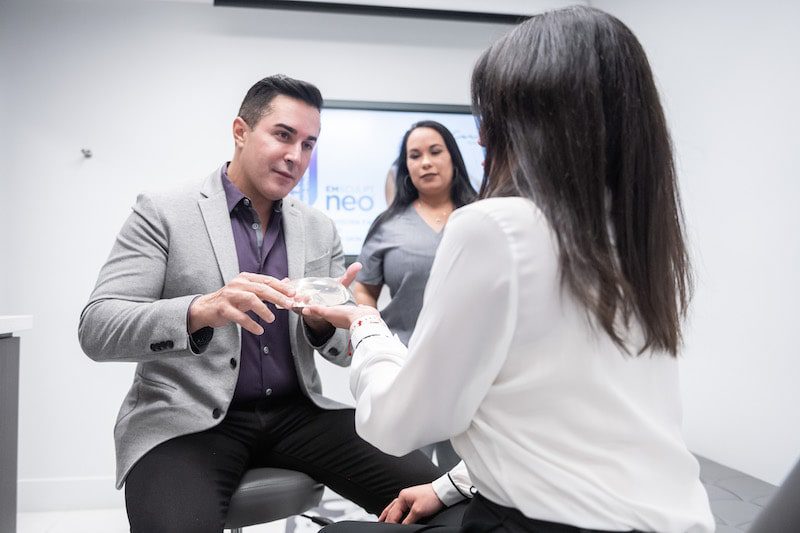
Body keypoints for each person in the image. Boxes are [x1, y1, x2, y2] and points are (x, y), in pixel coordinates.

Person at [304, 7, 715, 533]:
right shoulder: (635, 237)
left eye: (489, 120)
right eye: (414, 154)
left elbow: (398, 422)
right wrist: (448, 485)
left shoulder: (491, 225)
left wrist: (362, 324)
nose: (481, 140)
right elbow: (550, 415)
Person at [78, 74, 443, 533]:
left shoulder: (319, 228)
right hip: (186, 421)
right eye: (283, 135)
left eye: (309, 144)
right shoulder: (163, 211)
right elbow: (97, 328)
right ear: (240, 131)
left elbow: (347, 350)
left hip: (300, 414)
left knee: (442, 504)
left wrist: (323, 325)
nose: (296, 156)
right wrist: (200, 309)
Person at [354, 120, 477, 470]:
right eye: (415, 155)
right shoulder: (387, 225)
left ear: (453, 157)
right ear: (405, 167)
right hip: (406, 369)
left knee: (471, 482)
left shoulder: (483, 216)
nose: (425, 162)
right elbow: (364, 287)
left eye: (435, 151)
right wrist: (368, 333)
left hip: (472, 374)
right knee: (408, 479)